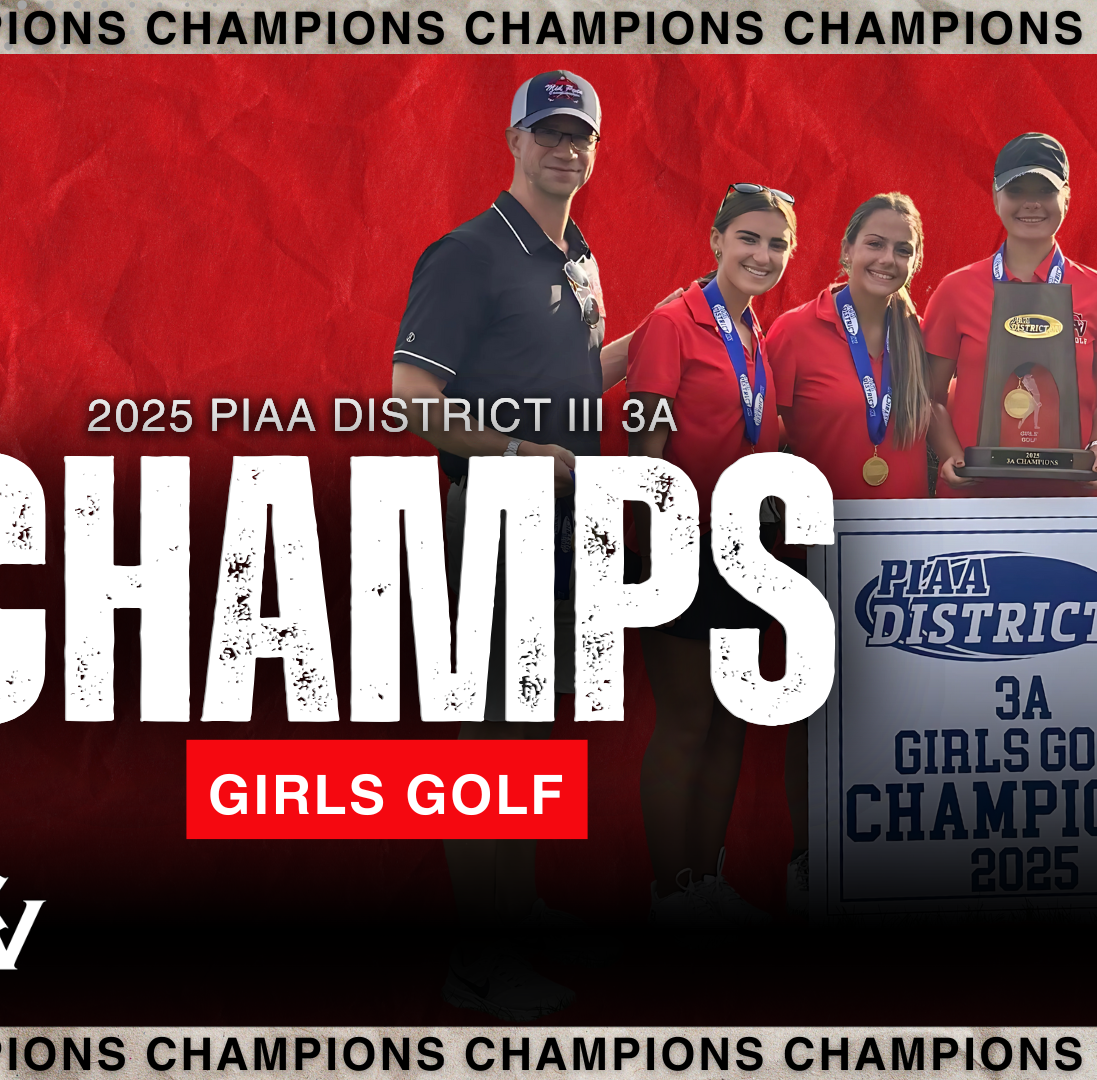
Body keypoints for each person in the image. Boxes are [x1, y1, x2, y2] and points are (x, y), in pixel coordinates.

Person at [389, 70, 624, 1021]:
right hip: (490, 516)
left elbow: (574, 379)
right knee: (485, 740)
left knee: (528, 737)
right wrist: (523, 450)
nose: (564, 150)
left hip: (562, 527)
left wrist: (684, 327)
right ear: (514, 140)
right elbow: (413, 396)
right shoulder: (469, 252)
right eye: (548, 133)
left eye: (580, 136)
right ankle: (476, 966)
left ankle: (513, 913)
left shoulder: (576, 252)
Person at [764, 192, 964, 914]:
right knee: (815, 715)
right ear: (845, 249)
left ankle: (881, 859)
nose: (888, 260)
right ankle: (810, 858)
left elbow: (934, 417)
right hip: (815, 557)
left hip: (906, 561)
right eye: (875, 244)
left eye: (903, 250)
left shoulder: (918, 335)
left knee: (896, 715)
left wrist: (962, 463)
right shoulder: (794, 330)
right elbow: (758, 431)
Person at [626, 184, 794, 926]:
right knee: (687, 720)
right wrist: (659, 545)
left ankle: (706, 884)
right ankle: (672, 892)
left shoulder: (758, 332)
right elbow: (644, 444)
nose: (763, 255)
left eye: (778, 244)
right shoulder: (671, 322)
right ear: (716, 240)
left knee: (731, 721)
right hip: (677, 544)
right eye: (749, 239)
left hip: (743, 545)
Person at [923, 132, 1097, 495]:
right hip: (976, 496)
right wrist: (950, 454)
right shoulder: (955, 290)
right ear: (995, 197)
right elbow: (931, 397)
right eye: (1016, 192)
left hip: (1071, 498)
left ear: (1067, 195)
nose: (1031, 204)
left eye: (1045, 191)